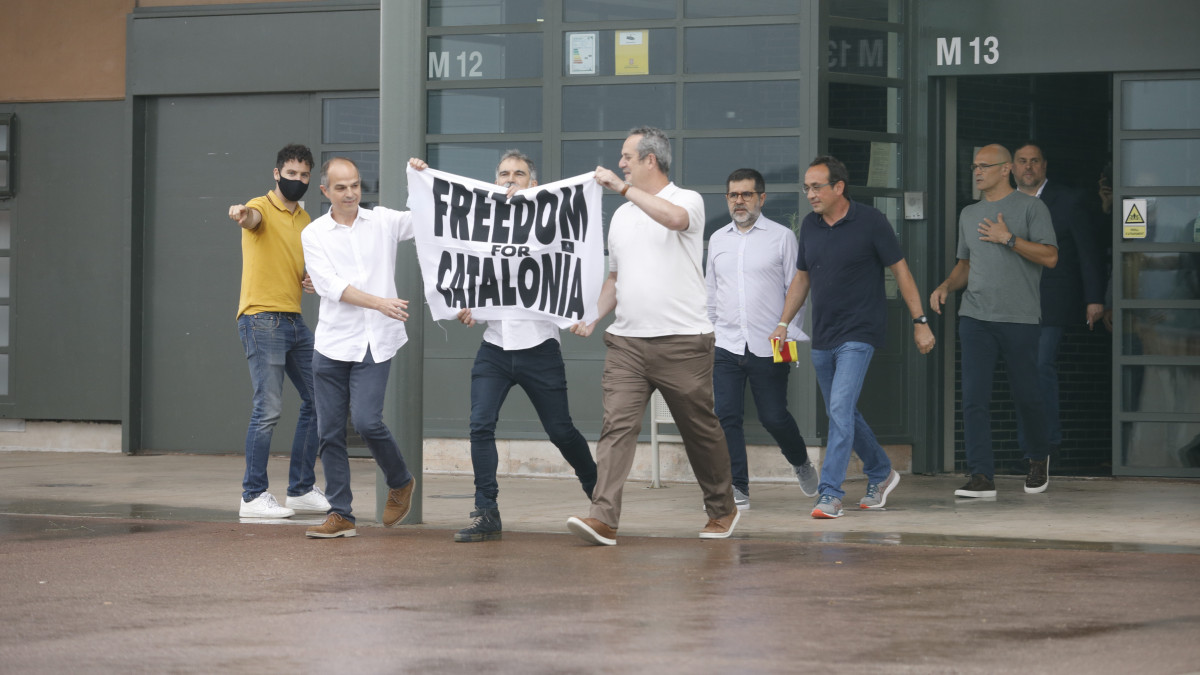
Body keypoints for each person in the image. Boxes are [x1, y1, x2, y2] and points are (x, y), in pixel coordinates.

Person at [565, 126, 739, 545]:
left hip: (683, 342)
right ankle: (603, 517)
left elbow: (674, 220)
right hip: (627, 343)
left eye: (626, 156)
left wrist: (621, 187)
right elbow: (615, 277)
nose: (620, 163)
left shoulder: (687, 200)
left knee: (699, 430)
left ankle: (722, 507)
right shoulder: (622, 217)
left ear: (650, 160)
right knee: (616, 428)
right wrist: (593, 316)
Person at [772, 156, 935, 519]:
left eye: (816, 187)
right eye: (806, 187)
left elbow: (902, 272)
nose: (810, 194)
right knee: (841, 411)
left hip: (859, 333)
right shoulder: (811, 227)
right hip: (824, 335)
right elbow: (801, 278)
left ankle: (830, 492)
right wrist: (783, 324)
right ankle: (881, 471)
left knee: (840, 409)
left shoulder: (871, 222)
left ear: (839, 187)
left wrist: (919, 320)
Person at [452, 150, 597, 543]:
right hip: (495, 347)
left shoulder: (550, 225)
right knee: (480, 425)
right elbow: (467, 271)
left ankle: (600, 497)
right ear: (494, 181)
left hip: (539, 347)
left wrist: (581, 315)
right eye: (503, 173)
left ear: (534, 184)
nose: (510, 179)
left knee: (561, 431)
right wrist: (466, 306)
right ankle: (487, 511)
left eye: (519, 174)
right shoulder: (480, 229)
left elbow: (573, 262)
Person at [299, 156, 425, 538]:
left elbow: (424, 220)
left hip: (376, 343)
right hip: (333, 344)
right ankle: (341, 514)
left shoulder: (383, 221)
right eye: (341, 187)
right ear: (325, 192)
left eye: (354, 185)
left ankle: (400, 481)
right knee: (330, 431)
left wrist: (418, 180)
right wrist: (380, 302)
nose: (351, 193)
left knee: (369, 421)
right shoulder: (314, 234)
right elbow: (331, 286)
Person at [930, 144, 1058, 498]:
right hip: (975, 316)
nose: (977, 171)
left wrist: (1010, 239)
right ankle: (981, 476)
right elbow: (966, 266)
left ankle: (1037, 457)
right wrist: (945, 286)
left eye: (984, 166)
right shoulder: (969, 214)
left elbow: (1050, 257)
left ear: (1006, 170)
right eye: (974, 166)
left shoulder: (1032, 207)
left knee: (1027, 394)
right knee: (973, 398)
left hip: (1019, 317)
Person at [706, 167, 819, 510]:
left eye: (746, 194)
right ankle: (737, 487)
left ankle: (800, 461)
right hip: (726, 342)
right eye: (733, 195)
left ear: (761, 198)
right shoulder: (717, 239)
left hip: (773, 343)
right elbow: (711, 290)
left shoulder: (782, 237)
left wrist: (786, 328)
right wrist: (710, 330)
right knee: (726, 416)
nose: (739, 201)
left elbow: (796, 290)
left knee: (774, 416)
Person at [227, 143, 329, 519]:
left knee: (320, 398)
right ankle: (252, 496)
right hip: (260, 318)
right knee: (267, 409)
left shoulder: (305, 221)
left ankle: (300, 489)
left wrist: (311, 281)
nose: (297, 181)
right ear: (276, 173)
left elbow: (304, 267)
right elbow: (251, 218)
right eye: (291, 174)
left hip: (294, 320)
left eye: (304, 175)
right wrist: (242, 213)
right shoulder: (261, 206)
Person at [1011, 142, 1106, 466]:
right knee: (1022, 373)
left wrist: (1094, 298)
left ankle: (1046, 446)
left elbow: (1086, 251)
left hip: (1053, 300)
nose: (1028, 167)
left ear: (1044, 166)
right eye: (1022, 161)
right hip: (1013, 304)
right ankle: (1030, 449)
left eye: (1034, 161)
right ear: (1012, 167)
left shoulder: (1068, 200)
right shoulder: (1004, 202)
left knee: (1040, 366)